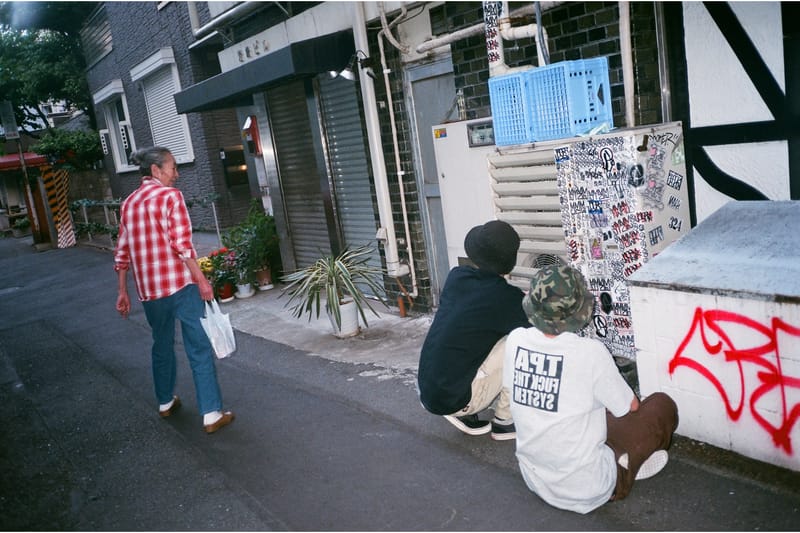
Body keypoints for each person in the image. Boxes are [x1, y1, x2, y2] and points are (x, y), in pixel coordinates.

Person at [504, 264, 678, 514]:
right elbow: (631, 407)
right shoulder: (590, 352)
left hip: (535, 479)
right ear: (579, 310)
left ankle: (625, 458)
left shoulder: (516, 339)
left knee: (590, 412)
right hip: (590, 488)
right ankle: (624, 469)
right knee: (661, 405)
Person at [114, 146, 234, 434]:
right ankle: (211, 414)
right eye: (173, 168)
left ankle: (165, 401)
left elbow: (122, 251)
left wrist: (122, 291)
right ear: (156, 170)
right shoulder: (171, 197)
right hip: (181, 285)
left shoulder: (128, 203)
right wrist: (202, 280)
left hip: (150, 292)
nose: (176, 174)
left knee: (161, 343)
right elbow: (182, 246)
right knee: (198, 347)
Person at [418, 220, 530, 440]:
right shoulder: (506, 297)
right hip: (455, 399)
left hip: (429, 389)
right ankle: (505, 421)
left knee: (475, 339)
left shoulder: (457, 277)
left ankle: (463, 406)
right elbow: (539, 329)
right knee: (521, 341)